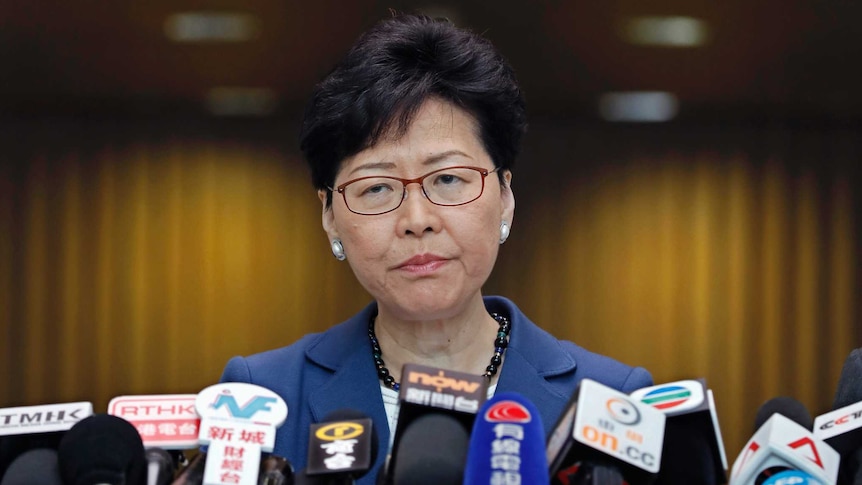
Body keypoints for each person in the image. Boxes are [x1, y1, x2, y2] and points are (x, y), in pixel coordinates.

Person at [218, 12, 652, 482]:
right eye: (377, 188)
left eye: (447, 179)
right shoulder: (261, 398)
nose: (417, 221)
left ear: (505, 196)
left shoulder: (610, 399)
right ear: (330, 216)